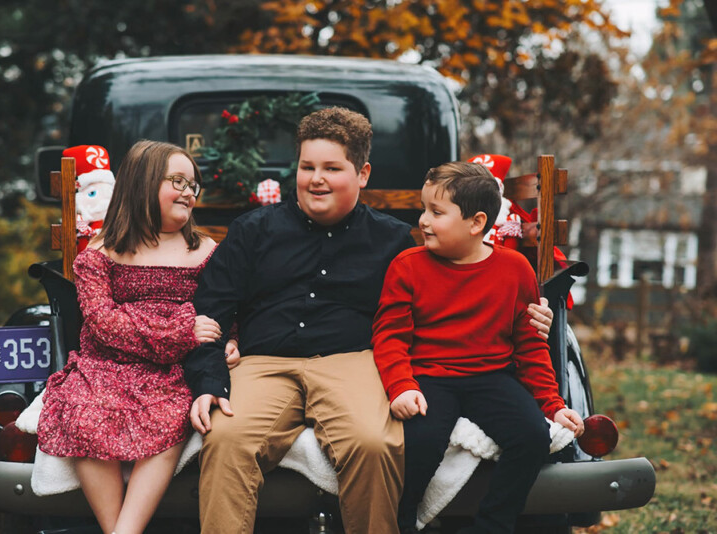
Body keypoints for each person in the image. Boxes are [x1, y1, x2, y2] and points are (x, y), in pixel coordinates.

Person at [184, 108, 554, 533]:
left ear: (362, 174)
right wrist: (210, 380)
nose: (316, 179)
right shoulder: (253, 230)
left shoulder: (391, 239)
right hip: (264, 362)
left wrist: (529, 316)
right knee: (227, 439)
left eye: (331, 168)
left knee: (374, 442)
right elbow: (211, 309)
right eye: (307, 167)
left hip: (352, 361)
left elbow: (452, 291)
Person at [371, 162, 585, 534]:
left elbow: (530, 347)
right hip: (430, 377)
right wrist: (401, 386)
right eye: (424, 209)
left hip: (492, 378)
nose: (423, 220)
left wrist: (552, 404)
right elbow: (390, 337)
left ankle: (492, 525)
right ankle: (401, 524)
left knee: (533, 437)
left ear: (476, 223)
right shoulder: (407, 266)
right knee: (420, 442)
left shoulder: (515, 269)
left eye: (436, 212)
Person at [37, 140, 238, 534]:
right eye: (177, 181)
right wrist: (181, 328)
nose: (188, 192)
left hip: (172, 372)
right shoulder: (101, 252)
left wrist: (231, 339)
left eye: (193, 185)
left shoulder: (205, 251)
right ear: (141, 183)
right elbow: (103, 322)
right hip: (105, 366)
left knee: (169, 419)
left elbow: (224, 310)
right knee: (82, 413)